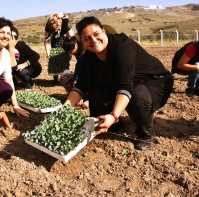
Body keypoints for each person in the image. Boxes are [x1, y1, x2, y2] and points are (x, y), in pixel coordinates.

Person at [63, 16, 173, 151]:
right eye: (87, 38)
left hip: (154, 80)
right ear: (83, 42)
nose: (93, 40)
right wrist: (64, 109)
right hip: (126, 82)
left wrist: (114, 115)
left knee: (137, 96)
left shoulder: (122, 48)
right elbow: (80, 86)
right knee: (98, 95)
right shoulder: (88, 57)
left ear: (103, 31)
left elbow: (126, 86)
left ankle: (146, 133)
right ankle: (117, 127)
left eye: (96, 34)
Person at [44, 13, 74, 84]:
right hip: (54, 37)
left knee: (65, 54)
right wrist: (48, 53)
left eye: (56, 29)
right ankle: (55, 77)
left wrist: (69, 51)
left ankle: (65, 76)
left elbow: (71, 38)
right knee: (55, 50)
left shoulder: (66, 23)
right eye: (53, 29)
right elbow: (46, 41)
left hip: (65, 34)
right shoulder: (48, 26)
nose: (55, 30)